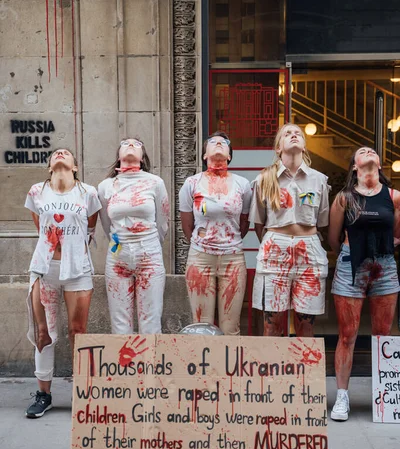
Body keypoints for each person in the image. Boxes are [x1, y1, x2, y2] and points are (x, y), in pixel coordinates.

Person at [25, 149, 101, 418]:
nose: (61, 154)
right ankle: (43, 394)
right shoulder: (36, 191)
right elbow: (40, 228)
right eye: (56, 153)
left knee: (78, 330)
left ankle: (82, 394)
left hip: (78, 269)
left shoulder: (88, 193)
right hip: (44, 269)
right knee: (43, 333)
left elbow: (90, 228)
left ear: (76, 166)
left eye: (66, 153)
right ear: (49, 167)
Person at [328, 146, 400, 421]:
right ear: (355, 167)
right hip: (350, 265)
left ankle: (384, 397)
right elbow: (334, 237)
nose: (368, 151)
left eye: (372, 151)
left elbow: (397, 232)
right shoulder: (344, 198)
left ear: (380, 165)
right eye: (362, 151)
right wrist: (349, 252)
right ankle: (342, 397)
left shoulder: (393, 197)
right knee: (347, 334)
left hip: (384, 267)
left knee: (383, 335)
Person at [250, 123, 330, 337]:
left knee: (306, 324)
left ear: (304, 146)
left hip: (309, 251)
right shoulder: (265, 179)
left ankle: (302, 370)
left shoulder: (319, 180)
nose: (294, 135)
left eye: (298, 134)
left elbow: (322, 221)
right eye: (287, 134)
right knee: (272, 324)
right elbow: (259, 223)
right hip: (276, 249)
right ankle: (272, 369)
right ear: (278, 148)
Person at [179, 131, 252, 335]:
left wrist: (228, 241)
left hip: (233, 258)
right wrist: (205, 241)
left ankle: (228, 367)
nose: (219, 143)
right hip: (200, 257)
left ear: (229, 155)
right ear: (204, 155)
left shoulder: (243, 185)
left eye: (224, 142)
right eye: (212, 142)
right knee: (202, 325)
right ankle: (205, 366)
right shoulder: (191, 184)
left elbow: (243, 224)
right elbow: (187, 226)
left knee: (231, 326)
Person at [98, 138, 169, 334]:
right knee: (120, 321)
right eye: (125, 143)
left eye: (136, 144)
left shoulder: (155, 183)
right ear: (118, 154)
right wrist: (119, 239)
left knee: (151, 320)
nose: (130, 145)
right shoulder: (106, 186)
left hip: (149, 253)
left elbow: (163, 221)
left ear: (143, 156)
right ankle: (125, 364)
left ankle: (150, 364)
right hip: (118, 256)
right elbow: (105, 222)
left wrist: (150, 243)